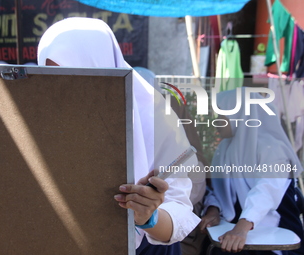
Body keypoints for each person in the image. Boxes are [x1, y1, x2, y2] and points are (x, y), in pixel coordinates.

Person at [37, 17, 201, 254]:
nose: (60, 89)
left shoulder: (154, 118)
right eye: (49, 77)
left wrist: (148, 217)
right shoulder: (41, 119)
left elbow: (179, 210)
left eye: (71, 74)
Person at [199, 87, 304, 255]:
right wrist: (213, 209)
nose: (216, 121)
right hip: (236, 230)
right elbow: (218, 190)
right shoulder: (226, 148)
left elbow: (267, 191)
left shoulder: (273, 149)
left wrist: (242, 228)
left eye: (221, 115)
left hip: (273, 230)